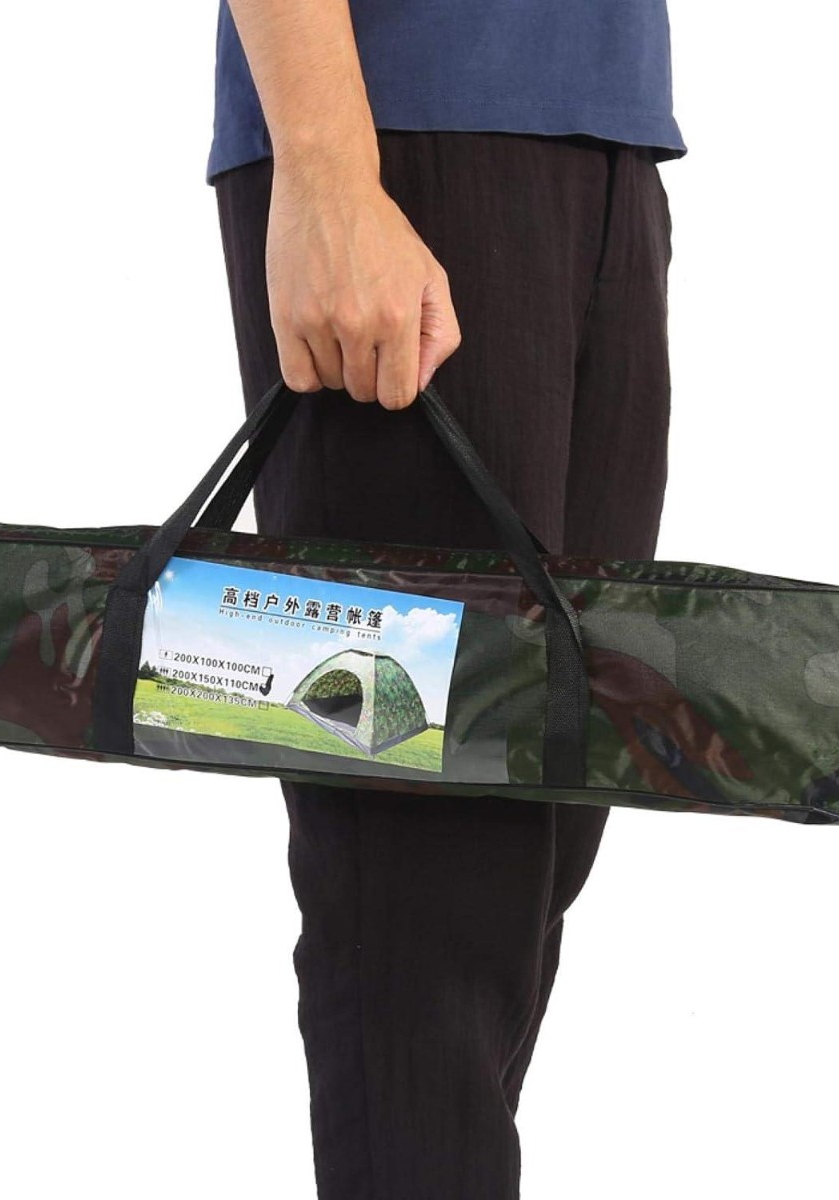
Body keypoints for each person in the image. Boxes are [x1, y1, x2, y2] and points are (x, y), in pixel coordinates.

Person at [206, 3, 684, 1196]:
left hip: (609, 135)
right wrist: (327, 169)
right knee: (421, 898)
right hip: (404, 133)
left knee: (525, 865)